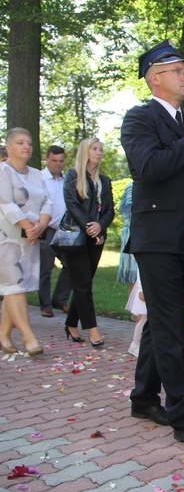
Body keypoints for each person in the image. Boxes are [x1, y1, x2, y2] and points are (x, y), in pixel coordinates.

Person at [121, 40, 184, 447]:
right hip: (157, 240)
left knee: (160, 324)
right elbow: (147, 168)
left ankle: (144, 398)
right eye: (178, 70)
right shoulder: (139, 118)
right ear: (155, 77)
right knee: (168, 326)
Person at [0, 128, 52, 356]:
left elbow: (48, 201)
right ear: (8, 148)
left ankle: (2, 336)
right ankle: (29, 338)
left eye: (29, 143)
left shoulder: (36, 174)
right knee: (14, 286)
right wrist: (28, 227)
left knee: (16, 288)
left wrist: (41, 224)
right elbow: (6, 204)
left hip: (30, 237)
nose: (26, 147)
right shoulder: (2, 171)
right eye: (20, 143)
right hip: (7, 238)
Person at [62, 137, 114, 347]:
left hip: (97, 238)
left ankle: (71, 324)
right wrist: (91, 227)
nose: (99, 152)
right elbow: (73, 205)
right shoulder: (73, 176)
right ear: (85, 151)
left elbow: (110, 210)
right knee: (83, 284)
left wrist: (100, 227)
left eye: (100, 149)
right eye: (94, 148)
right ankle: (92, 329)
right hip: (76, 237)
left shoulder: (105, 181)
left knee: (84, 283)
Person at [38, 145, 73, 318]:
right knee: (45, 269)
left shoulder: (66, 179)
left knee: (71, 265)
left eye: (61, 161)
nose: (58, 164)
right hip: (48, 229)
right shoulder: (39, 178)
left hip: (65, 230)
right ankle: (45, 305)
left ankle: (59, 298)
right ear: (47, 159)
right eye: (54, 161)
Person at [117, 181, 138, 289]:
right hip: (132, 232)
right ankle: (133, 306)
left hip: (145, 233)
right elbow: (126, 211)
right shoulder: (132, 186)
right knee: (134, 279)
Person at [126, 268, 146, 357]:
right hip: (145, 286)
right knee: (145, 319)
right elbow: (140, 269)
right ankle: (135, 344)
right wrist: (141, 289)